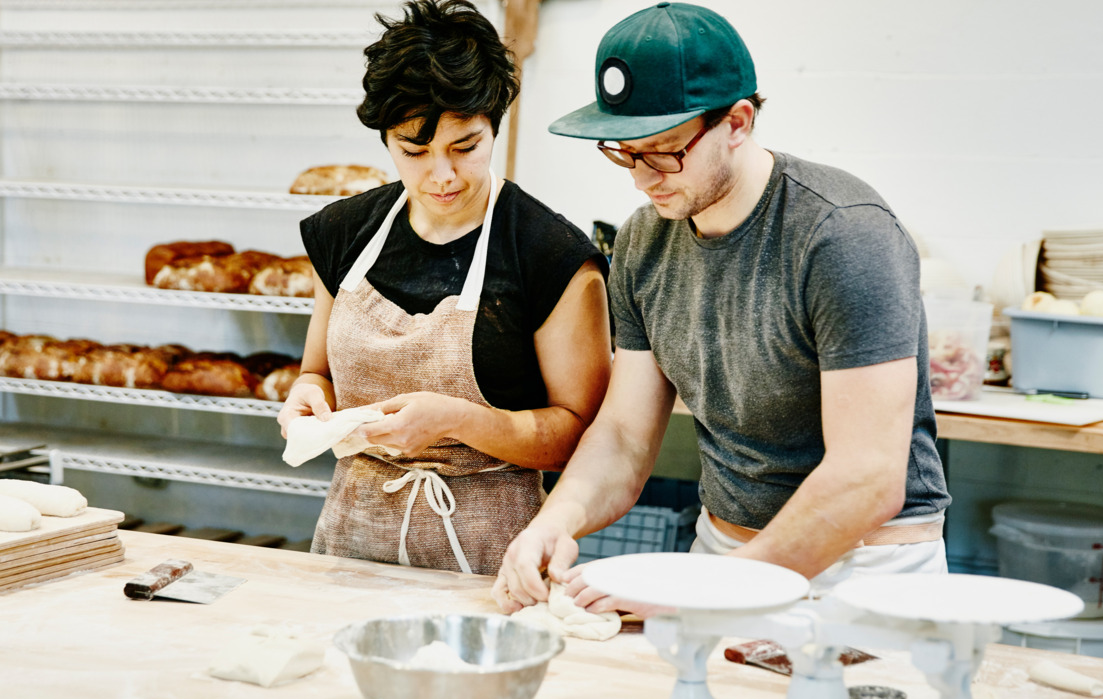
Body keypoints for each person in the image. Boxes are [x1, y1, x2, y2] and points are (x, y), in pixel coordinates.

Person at [493, 2, 952, 613]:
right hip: (722, 548)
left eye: (663, 151)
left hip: (864, 570)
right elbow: (626, 434)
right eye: (624, 151)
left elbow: (867, 479)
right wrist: (555, 521)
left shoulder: (843, 236)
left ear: (737, 121)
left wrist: (703, 590)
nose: (641, 178)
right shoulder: (642, 240)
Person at [280, 0, 611, 577]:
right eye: (414, 150)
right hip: (352, 541)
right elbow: (317, 374)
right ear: (386, 139)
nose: (442, 175)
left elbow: (580, 437)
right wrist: (305, 398)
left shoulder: (550, 255)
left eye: (465, 147)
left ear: (494, 127)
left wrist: (458, 420)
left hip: (488, 553)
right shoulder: (342, 233)